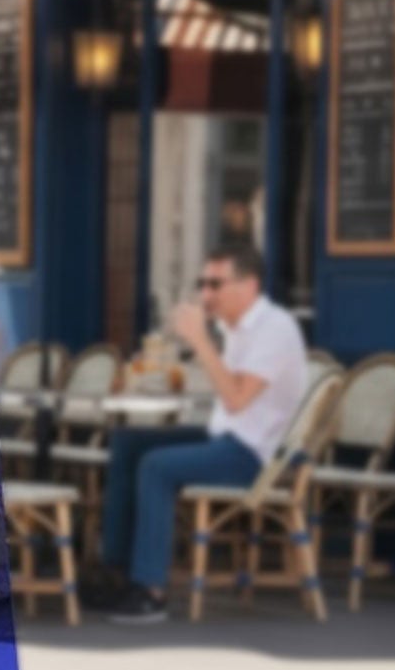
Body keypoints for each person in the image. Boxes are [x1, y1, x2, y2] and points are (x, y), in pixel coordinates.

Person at [94, 243, 307, 626]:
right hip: (224, 439)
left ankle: (150, 592)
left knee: (157, 467)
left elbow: (237, 399)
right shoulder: (235, 328)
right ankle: (116, 570)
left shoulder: (275, 330)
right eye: (202, 283)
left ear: (249, 285)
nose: (206, 293)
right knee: (128, 442)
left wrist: (201, 342)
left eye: (215, 284)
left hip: (255, 456)